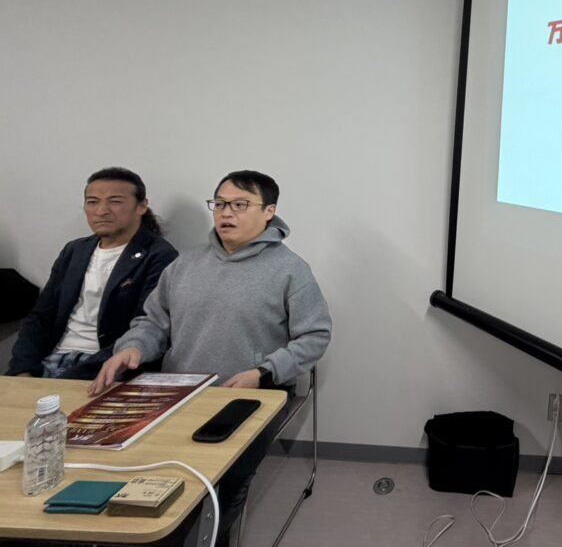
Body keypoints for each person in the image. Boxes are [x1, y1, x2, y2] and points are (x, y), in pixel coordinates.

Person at [91, 169, 332, 540]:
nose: (226, 213)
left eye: (240, 205)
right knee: (148, 467)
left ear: (269, 212)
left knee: (224, 479)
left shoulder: (290, 270)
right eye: (219, 204)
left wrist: (264, 373)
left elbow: (314, 336)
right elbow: (153, 322)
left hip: (251, 395)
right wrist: (133, 347)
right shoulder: (185, 264)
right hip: (180, 390)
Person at [7, 168, 178, 380]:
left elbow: (147, 325)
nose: (101, 211)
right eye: (92, 202)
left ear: (142, 206)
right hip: (51, 359)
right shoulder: (75, 250)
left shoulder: (159, 255)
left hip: (105, 365)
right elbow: (42, 316)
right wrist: (22, 369)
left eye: (115, 202)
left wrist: (68, 379)